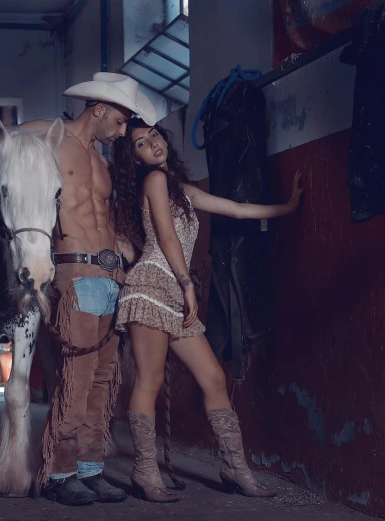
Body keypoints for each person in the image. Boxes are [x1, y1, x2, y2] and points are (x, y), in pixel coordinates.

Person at [0, 73, 155, 506]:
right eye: (120, 120)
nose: (123, 131)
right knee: (75, 377)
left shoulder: (104, 162)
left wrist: (124, 247)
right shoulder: (48, 135)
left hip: (111, 276)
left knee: (104, 380)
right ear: (98, 110)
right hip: (75, 274)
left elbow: (104, 217)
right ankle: (58, 471)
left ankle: (90, 470)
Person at [110, 118, 304, 503]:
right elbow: (165, 236)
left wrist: (288, 206)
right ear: (135, 159)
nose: (152, 145)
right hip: (151, 288)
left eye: (154, 136)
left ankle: (235, 469)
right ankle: (145, 472)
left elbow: (234, 208)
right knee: (149, 382)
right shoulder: (155, 181)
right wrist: (187, 286)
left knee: (214, 378)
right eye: (141, 145)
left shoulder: (182, 189)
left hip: (175, 293)